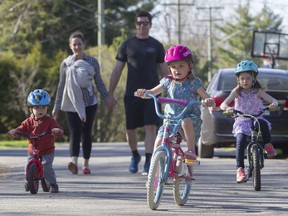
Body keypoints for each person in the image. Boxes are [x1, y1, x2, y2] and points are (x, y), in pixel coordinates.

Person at [109, 11, 170, 174]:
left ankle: (149, 158)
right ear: (135, 25)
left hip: (152, 93)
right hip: (132, 93)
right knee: (130, 128)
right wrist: (110, 93)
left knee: (151, 126)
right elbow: (117, 70)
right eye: (139, 23)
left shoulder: (156, 45)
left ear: (150, 25)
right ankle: (135, 155)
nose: (142, 26)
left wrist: (171, 92)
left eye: (145, 23)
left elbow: (165, 71)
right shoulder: (127, 45)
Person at [135, 45, 215, 160]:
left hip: (189, 117)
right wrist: (143, 93)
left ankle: (191, 151)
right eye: (173, 67)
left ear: (189, 66)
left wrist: (208, 101)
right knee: (159, 139)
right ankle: (154, 166)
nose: (177, 70)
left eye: (181, 66)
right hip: (171, 119)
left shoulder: (193, 82)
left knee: (185, 121)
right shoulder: (167, 81)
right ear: (169, 68)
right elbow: (152, 92)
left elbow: (206, 96)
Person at [52, 31, 114, 175]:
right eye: (74, 44)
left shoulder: (92, 62)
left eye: (79, 44)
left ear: (84, 45)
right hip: (72, 103)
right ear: (70, 46)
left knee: (86, 133)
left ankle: (85, 164)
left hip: (90, 103)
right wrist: (56, 107)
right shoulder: (66, 64)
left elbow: (99, 82)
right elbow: (61, 86)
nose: (77, 46)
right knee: (75, 133)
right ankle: (74, 162)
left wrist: (107, 98)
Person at [220, 60, 278, 183]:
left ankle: (268, 145)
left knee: (263, 124)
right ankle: (240, 169)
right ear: (238, 80)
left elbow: (273, 100)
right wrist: (228, 108)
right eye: (242, 78)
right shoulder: (236, 92)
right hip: (241, 121)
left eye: (248, 78)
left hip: (256, 118)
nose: (245, 81)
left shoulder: (258, 91)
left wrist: (273, 105)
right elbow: (223, 104)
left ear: (253, 79)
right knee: (240, 141)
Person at [8, 89, 63, 193]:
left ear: (47, 108)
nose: (40, 110)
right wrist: (15, 131)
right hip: (32, 150)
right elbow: (21, 129)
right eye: (37, 107)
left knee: (46, 166)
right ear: (31, 109)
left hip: (47, 150)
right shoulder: (28, 122)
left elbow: (59, 130)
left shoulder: (50, 121)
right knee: (28, 165)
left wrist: (57, 131)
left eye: (43, 107)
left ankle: (53, 184)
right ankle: (29, 180)